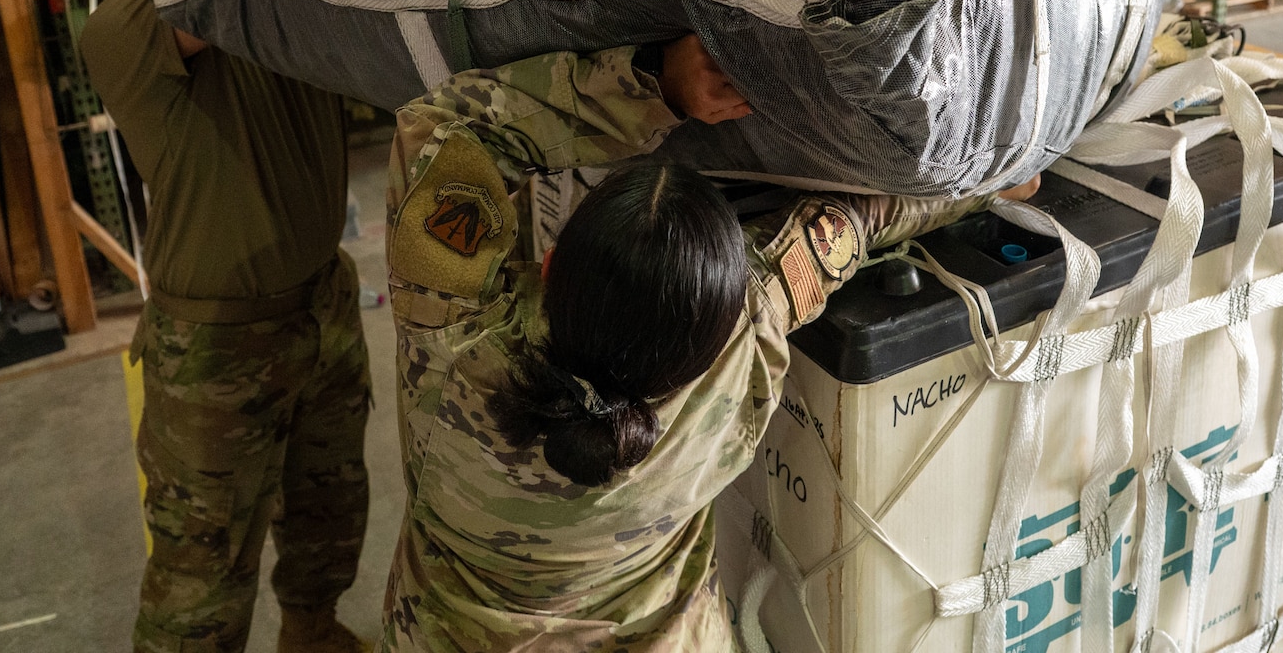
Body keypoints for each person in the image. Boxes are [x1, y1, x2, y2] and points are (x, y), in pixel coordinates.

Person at [380, 34, 1038, 650]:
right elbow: (852, 223)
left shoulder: (448, 333)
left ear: (550, 267)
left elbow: (442, 128)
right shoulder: (741, 349)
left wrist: (657, 85)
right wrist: (979, 183)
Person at [80, 0, 372, 653]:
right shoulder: (126, 25)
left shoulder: (287, 10)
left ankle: (311, 634)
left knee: (329, 508)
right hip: (215, 344)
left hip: (323, 302)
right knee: (201, 567)